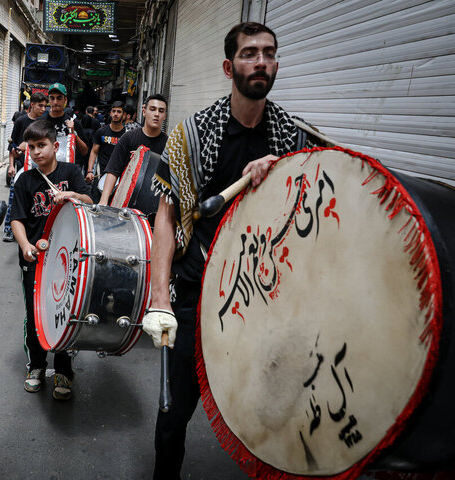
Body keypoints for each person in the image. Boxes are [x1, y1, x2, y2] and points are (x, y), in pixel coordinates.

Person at [141, 22, 321, 479]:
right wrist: (160, 297)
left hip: (262, 300)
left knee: (270, 409)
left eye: (268, 53)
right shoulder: (192, 135)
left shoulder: (293, 140)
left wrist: (283, 169)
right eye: (249, 53)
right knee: (174, 412)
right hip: (196, 290)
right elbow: (166, 216)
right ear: (229, 66)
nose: (260, 61)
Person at [10, 119, 92, 401]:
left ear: (56, 146)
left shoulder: (71, 171)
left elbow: (90, 202)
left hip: (68, 257)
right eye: (31, 147)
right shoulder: (24, 181)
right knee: (36, 313)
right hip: (36, 259)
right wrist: (24, 245)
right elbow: (17, 219)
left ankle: (64, 370)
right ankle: (35, 366)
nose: (35, 152)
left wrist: (71, 195)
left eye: (41, 146)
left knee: (66, 313)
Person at [98, 94, 169, 205]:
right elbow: (113, 170)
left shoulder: (169, 145)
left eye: (161, 111)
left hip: (154, 204)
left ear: (165, 115)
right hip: (125, 201)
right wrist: (103, 200)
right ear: (144, 111)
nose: (156, 114)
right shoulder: (128, 138)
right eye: (152, 109)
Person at [3, 92, 47, 242]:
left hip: (39, 167)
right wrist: (11, 166)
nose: (43, 109)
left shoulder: (44, 123)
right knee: (14, 199)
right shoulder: (21, 121)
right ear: (32, 105)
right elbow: (12, 147)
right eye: (40, 105)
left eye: (45, 106)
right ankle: (8, 229)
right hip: (22, 166)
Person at [85, 100, 125, 204]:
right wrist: (90, 171)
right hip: (101, 175)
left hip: (119, 180)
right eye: (114, 111)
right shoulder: (101, 132)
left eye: (119, 111)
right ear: (110, 113)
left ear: (123, 115)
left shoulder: (127, 135)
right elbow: (94, 152)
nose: (116, 114)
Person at [40, 83, 88, 163]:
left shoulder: (73, 123)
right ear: (49, 100)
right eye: (52, 98)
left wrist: (73, 134)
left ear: (65, 100)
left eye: (59, 98)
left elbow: (84, 151)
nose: (55, 102)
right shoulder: (40, 123)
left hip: (67, 169)